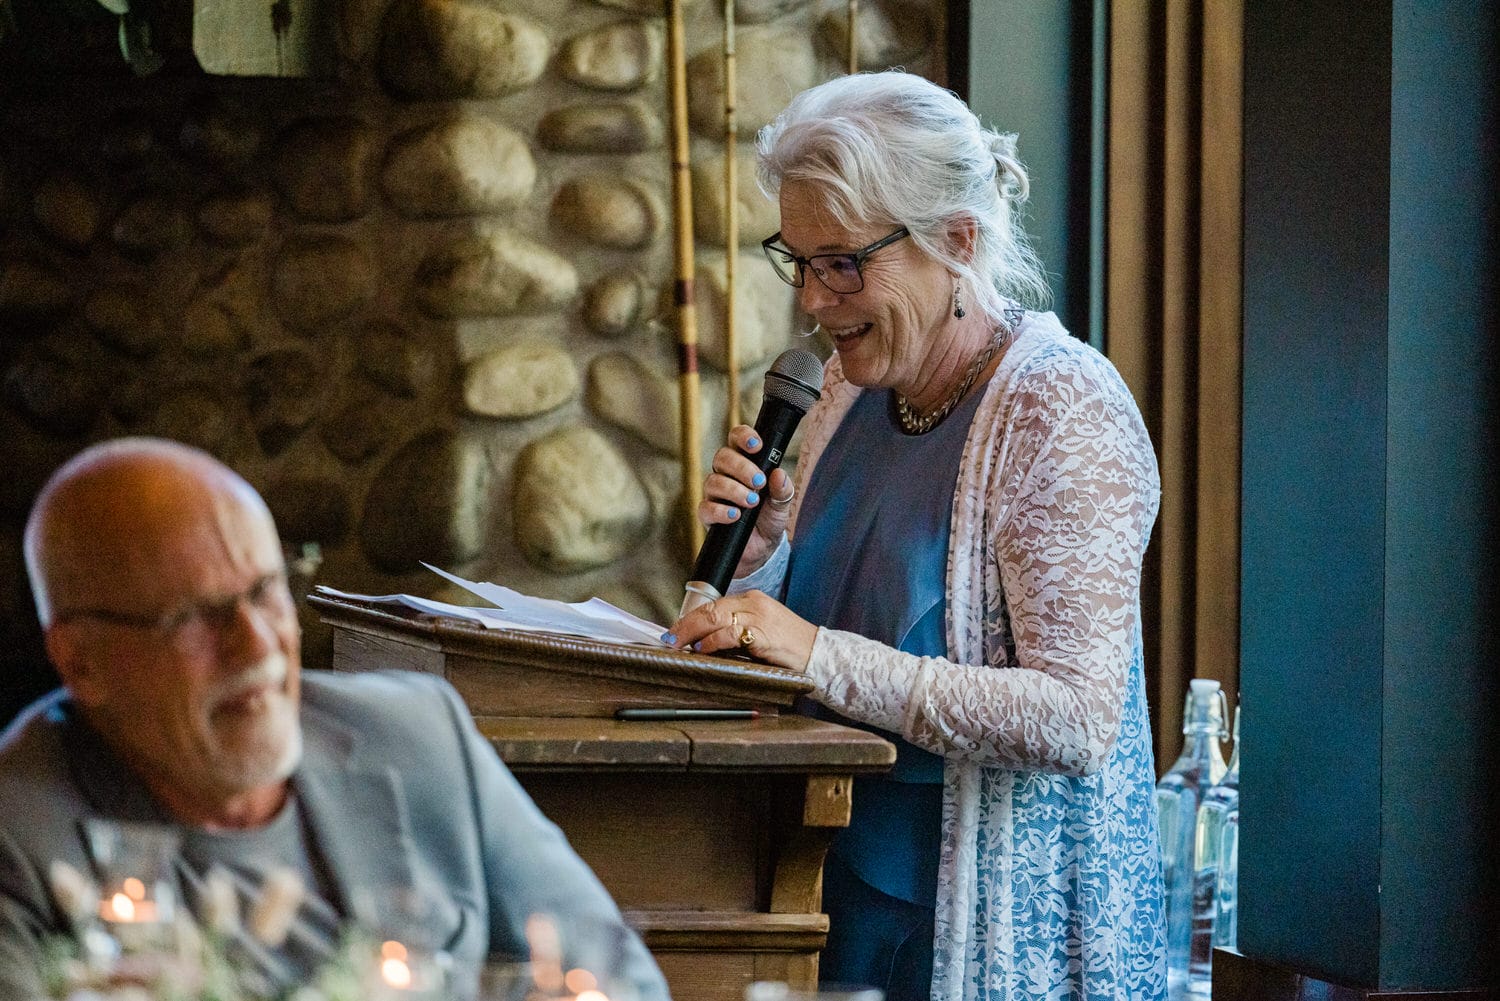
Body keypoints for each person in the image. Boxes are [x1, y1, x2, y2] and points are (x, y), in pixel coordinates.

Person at [668, 72, 1166, 1001]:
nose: (814, 299)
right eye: (800, 259)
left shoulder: (1061, 406)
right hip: (814, 888)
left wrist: (812, 649)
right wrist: (766, 546)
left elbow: (1075, 718)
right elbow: (800, 636)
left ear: (957, 242)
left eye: (844, 262)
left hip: (972, 932)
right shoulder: (849, 394)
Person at [0, 437, 670, 1001]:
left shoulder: (418, 733)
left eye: (266, 590)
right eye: (197, 618)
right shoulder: (19, 836)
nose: (258, 644)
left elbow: (623, 980)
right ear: (82, 661)